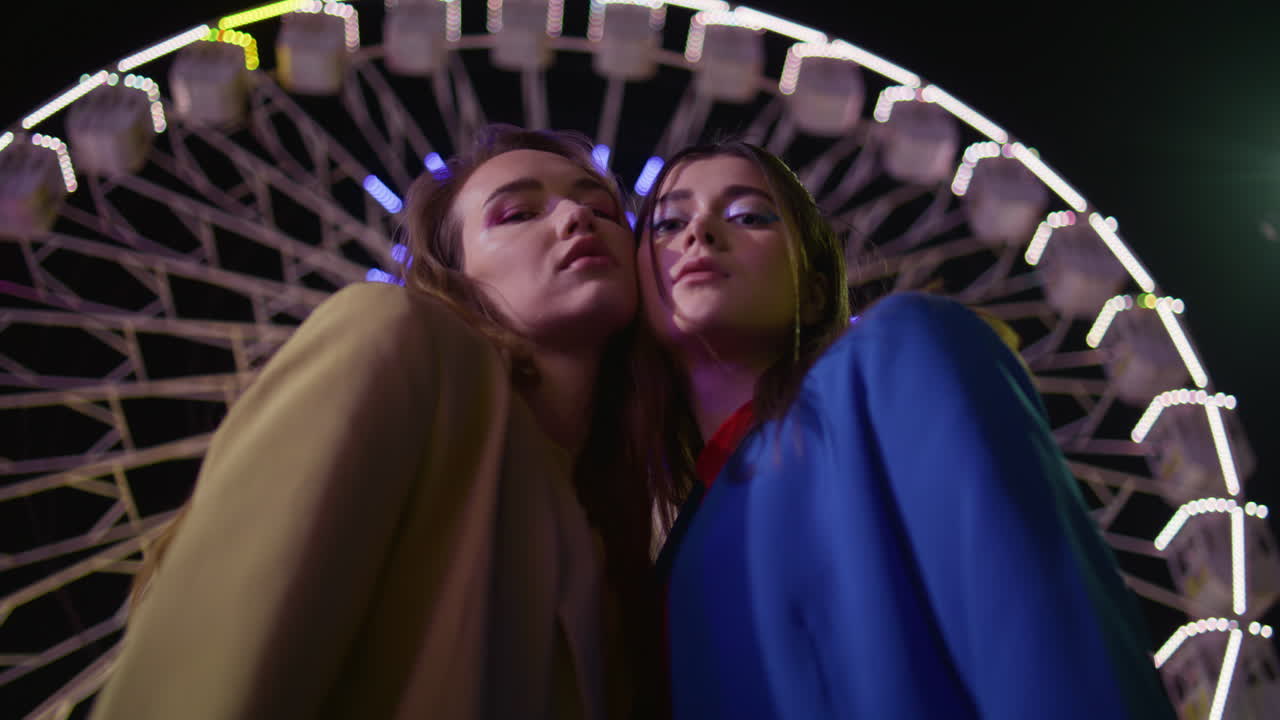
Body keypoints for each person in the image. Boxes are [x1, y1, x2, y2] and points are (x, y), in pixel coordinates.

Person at [91, 125, 661, 720]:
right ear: (456, 278)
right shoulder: (393, 332)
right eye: (517, 213)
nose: (576, 216)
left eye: (602, 208)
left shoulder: (605, 544)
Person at [634, 140, 1177, 720]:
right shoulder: (673, 552)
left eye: (749, 216)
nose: (699, 235)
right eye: (667, 223)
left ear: (816, 289)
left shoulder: (897, 355)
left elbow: (1044, 631)